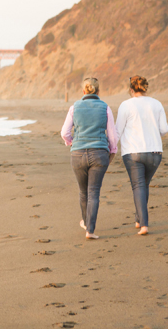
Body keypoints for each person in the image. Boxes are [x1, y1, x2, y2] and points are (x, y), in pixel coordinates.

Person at [60, 77, 118, 240]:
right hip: (99, 153)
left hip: (78, 154)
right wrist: (112, 151)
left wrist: (72, 143)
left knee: (83, 191)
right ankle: (90, 230)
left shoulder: (74, 107)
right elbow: (112, 135)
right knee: (94, 192)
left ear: (83, 91)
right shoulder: (105, 108)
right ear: (98, 91)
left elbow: (64, 133)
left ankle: (86, 222)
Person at [115, 75, 168, 236]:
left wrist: (110, 148)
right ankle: (139, 219)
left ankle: (144, 224)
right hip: (155, 153)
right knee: (143, 185)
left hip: (133, 153)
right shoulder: (157, 104)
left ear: (131, 89)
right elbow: (164, 129)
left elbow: (118, 130)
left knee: (138, 186)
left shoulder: (126, 105)